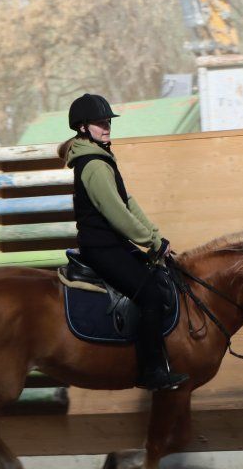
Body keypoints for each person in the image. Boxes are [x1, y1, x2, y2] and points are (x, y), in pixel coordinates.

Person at [61, 93, 189, 391]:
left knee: (159, 279)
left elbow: (127, 202)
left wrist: (156, 237)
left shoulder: (101, 158)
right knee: (151, 295)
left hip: (113, 245)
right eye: (99, 123)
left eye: (107, 121)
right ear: (82, 128)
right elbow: (116, 213)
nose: (106, 127)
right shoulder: (92, 164)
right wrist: (151, 243)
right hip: (102, 248)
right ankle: (151, 371)